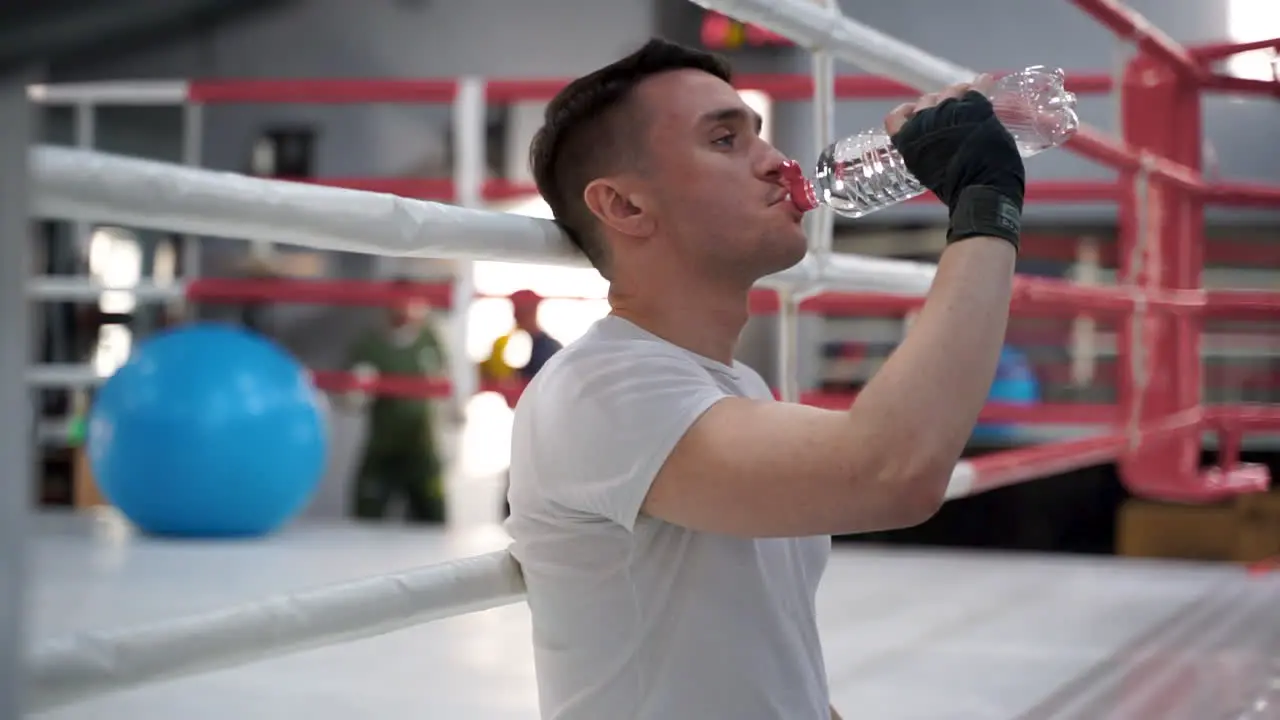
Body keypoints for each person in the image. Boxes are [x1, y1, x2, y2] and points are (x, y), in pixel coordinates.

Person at [505, 38, 1025, 720]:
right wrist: (986, 207)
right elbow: (891, 471)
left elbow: (768, 656)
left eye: (761, 134)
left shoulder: (736, 388)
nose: (778, 163)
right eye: (724, 139)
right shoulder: (600, 388)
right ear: (626, 208)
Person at [342, 278, 449, 524]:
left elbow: (447, 384)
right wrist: (357, 390)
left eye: (410, 301)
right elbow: (350, 402)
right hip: (383, 446)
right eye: (398, 301)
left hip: (422, 447)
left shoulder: (430, 339)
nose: (404, 308)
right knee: (365, 517)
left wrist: (455, 410)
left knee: (433, 520)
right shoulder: (370, 344)